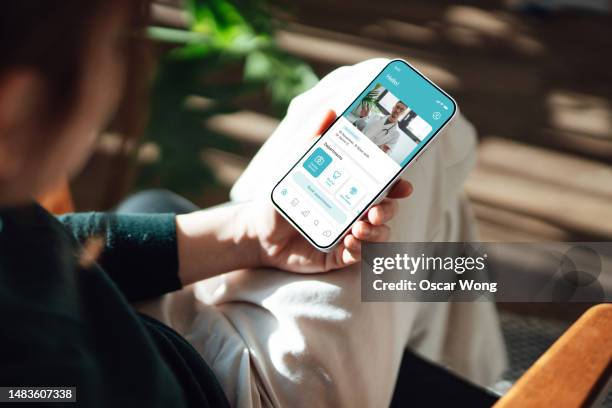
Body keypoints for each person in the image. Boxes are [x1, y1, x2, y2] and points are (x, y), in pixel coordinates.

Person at [0, 2, 413, 407]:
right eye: (114, 45)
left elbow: (40, 256)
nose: (119, 73)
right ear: (16, 105)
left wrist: (248, 235)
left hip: (147, 338)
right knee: (386, 100)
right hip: (226, 390)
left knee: (152, 203)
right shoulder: (43, 378)